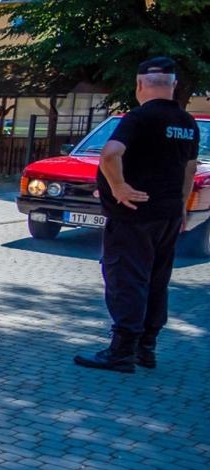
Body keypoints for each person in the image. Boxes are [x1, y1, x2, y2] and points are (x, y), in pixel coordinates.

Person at [74, 56, 201, 373]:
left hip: (133, 215)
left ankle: (122, 352)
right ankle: (147, 348)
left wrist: (118, 187)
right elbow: (188, 170)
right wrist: (182, 206)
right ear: (173, 85)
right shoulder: (187, 123)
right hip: (169, 214)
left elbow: (110, 154)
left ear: (140, 84)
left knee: (127, 279)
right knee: (157, 280)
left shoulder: (138, 118)